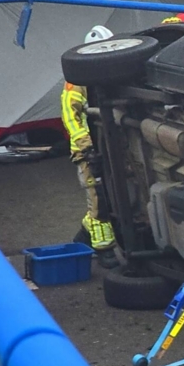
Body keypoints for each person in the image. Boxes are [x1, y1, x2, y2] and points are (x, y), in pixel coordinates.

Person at [65, 25, 119, 269]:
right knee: (98, 198)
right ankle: (103, 248)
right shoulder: (76, 82)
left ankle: (84, 236)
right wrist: (85, 145)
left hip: (110, 145)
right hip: (89, 150)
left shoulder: (111, 77)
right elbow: (70, 115)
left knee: (116, 193)